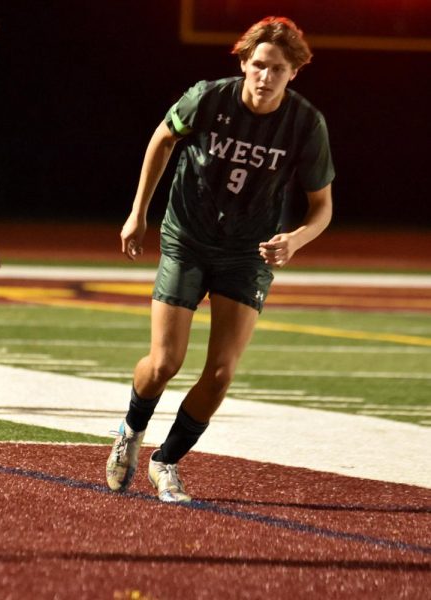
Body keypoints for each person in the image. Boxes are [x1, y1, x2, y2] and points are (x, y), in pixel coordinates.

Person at [106, 16, 334, 503]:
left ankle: (165, 462)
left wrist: (296, 239)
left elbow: (322, 208)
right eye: (258, 65)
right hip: (187, 235)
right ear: (244, 63)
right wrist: (137, 212)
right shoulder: (209, 97)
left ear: (294, 72)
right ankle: (131, 429)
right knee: (166, 361)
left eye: (277, 68)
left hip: (247, 252)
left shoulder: (305, 124)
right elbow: (162, 139)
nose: (265, 76)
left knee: (222, 371)